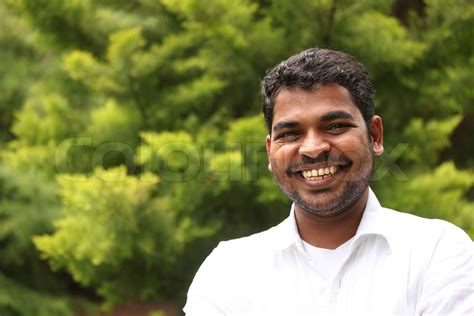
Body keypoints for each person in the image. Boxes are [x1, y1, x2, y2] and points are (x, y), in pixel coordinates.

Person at [183, 48, 473, 315]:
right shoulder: (228, 271)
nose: (312, 148)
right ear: (270, 152)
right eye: (291, 133)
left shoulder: (437, 253)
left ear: (375, 136)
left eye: (335, 126)